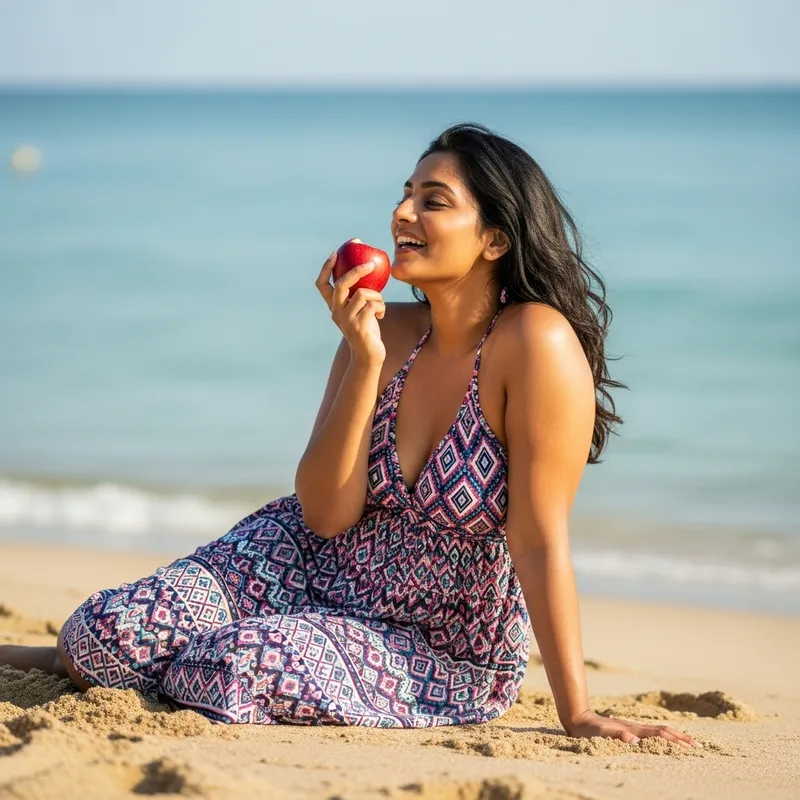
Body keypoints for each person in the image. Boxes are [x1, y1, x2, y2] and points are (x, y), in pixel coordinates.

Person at [1, 123, 696, 746]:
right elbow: (325, 514)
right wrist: (363, 360)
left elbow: (539, 539)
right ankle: (65, 657)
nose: (402, 214)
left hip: (439, 636)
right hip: (306, 559)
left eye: (433, 200)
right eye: (405, 195)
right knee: (100, 637)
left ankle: (167, 660)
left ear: (495, 239)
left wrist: (578, 713)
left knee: (226, 666)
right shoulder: (385, 331)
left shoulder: (535, 342)